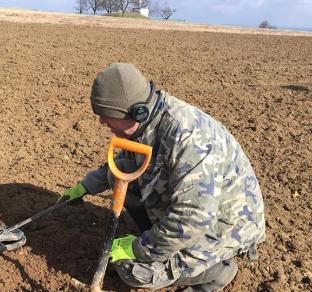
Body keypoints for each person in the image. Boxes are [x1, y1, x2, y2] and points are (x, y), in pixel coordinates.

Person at [60, 63, 265, 291]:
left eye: (107, 115)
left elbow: (194, 217)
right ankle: (159, 241)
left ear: (136, 111)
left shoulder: (188, 138)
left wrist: (139, 249)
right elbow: (122, 163)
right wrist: (85, 187)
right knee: (118, 178)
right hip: (197, 211)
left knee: (133, 270)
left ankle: (217, 270)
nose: (102, 122)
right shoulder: (149, 120)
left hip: (223, 228)